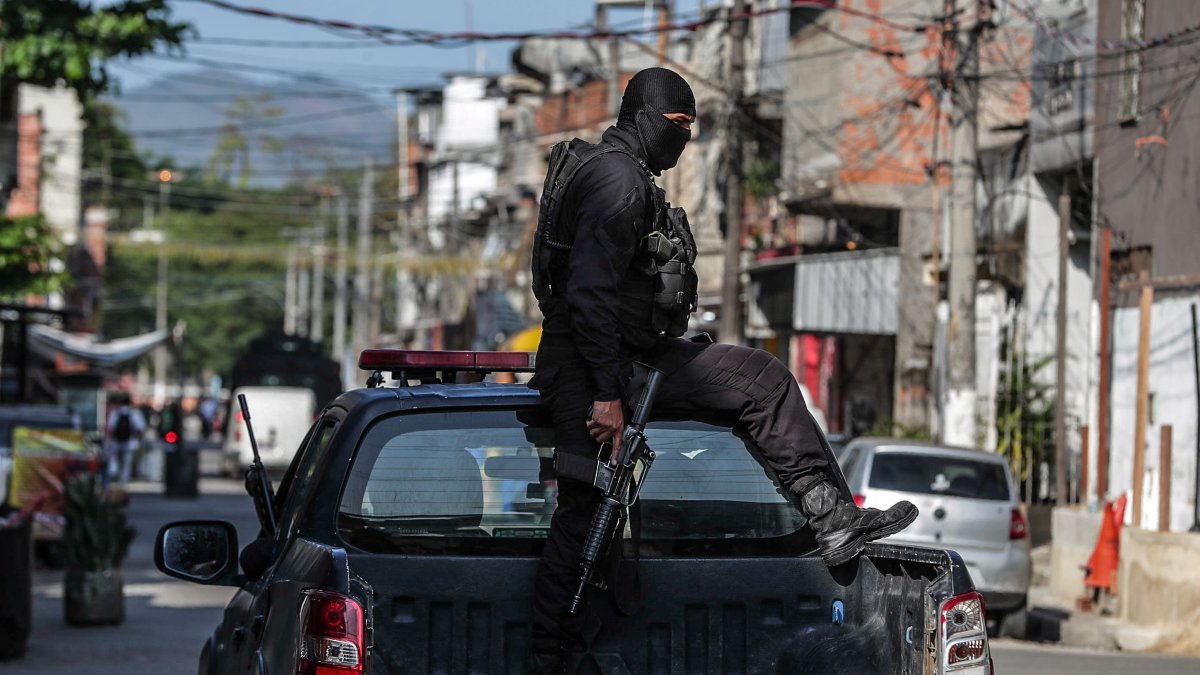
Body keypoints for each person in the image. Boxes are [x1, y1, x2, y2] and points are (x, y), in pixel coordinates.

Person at [526, 67, 918, 673]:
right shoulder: (618, 184)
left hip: (626, 355)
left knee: (759, 379)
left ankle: (831, 516)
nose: (685, 139)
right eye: (678, 126)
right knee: (585, 513)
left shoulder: (616, 172)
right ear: (645, 118)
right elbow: (588, 294)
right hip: (593, 363)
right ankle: (550, 655)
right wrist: (606, 395)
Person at [104, 392, 146, 487]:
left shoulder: (115, 413)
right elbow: (140, 428)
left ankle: (118, 480)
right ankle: (123, 482)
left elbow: (110, 428)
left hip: (116, 442)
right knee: (127, 463)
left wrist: (109, 441)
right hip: (130, 443)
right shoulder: (134, 413)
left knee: (118, 461)